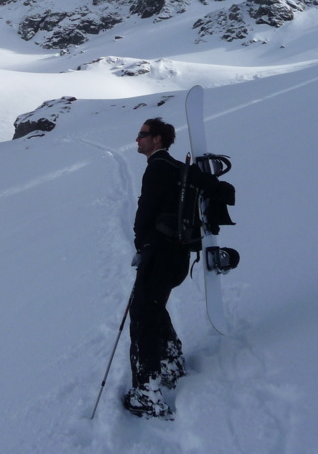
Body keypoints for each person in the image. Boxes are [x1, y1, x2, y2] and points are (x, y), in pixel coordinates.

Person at [123, 117, 190, 419]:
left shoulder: (157, 169)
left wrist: (142, 245)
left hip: (159, 255)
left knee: (142, 318)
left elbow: (145, 213)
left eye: (143, 135)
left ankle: (147, 395)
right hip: (178, 256)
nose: (137, 139)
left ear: (158, 139)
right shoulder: (179, 169)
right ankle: (171, 362)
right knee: (153, 306)